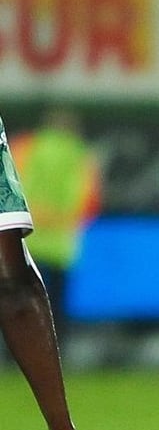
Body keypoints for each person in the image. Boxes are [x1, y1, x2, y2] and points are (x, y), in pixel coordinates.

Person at [0, 115, 95, 430]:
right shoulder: (78, 156)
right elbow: (14, 290)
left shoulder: (29, 147)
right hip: (53, 243)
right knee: (50, 314)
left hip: (41, 243)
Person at [10, 107, 101, 349]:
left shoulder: (26, 147)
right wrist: (62, 219)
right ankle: (55, 355)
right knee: (54, 308)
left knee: (18, 303)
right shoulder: (80, 155)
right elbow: (90, 202)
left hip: (24, 239)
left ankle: (14, 357)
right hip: (61, 246)